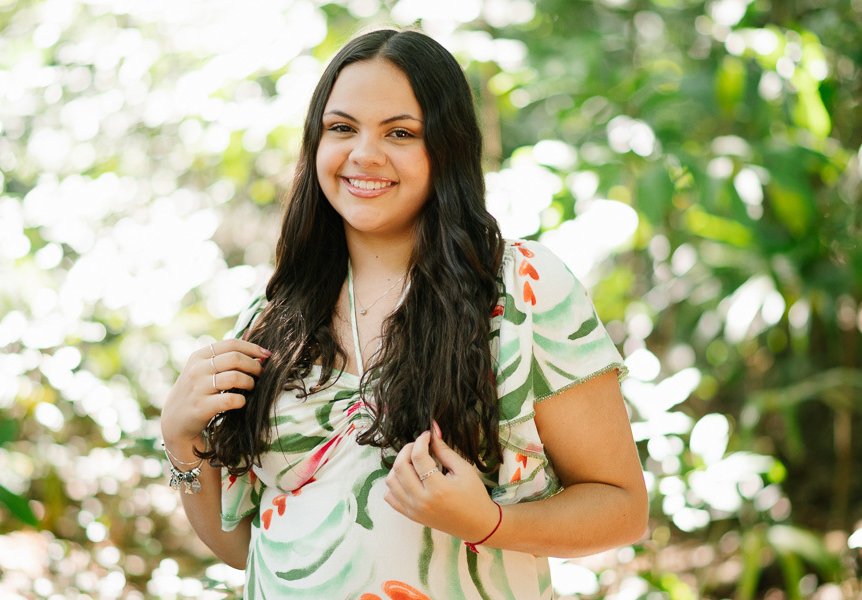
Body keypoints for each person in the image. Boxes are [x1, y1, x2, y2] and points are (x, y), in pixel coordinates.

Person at [160, 28, 648, 600]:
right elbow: (249, 548)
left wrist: (489, 523)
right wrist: (179, 441)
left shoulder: (522, 290)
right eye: (342, 128)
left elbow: (623, 508)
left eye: (400, 132)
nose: (364, 154)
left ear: (446, 148)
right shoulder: (273, 320)